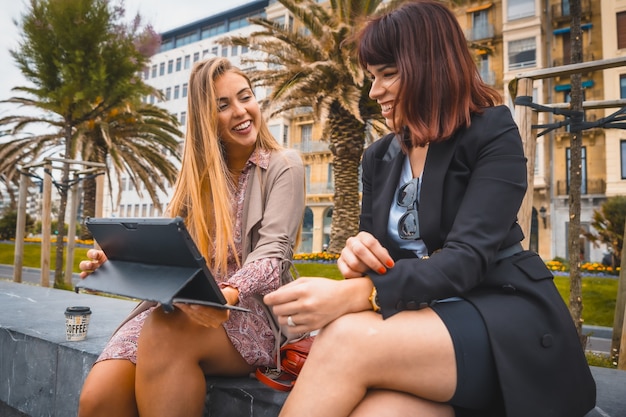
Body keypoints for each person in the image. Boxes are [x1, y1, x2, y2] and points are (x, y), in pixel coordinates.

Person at [263, 2, 596, 417]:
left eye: (388, 74)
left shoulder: (492, 131)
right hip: (423, 322)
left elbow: (467, 259)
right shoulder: (377, 156)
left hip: (502, 315)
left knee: (347, 336)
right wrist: (358, 257)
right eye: (371, 77)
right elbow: (379, 264)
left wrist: (357, 292)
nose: (373, 92)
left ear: (430, 67)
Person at [77, 57, 305, 417]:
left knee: (164, 332)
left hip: (247, 311)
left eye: (245, 97)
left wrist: (223, 296)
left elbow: (273, 257)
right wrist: (118, 262)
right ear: (205, 119)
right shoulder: (196, 181)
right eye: (223, 105)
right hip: (178, 308)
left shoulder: (283, 165)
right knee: (98, 396)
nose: (241, 111)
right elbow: (175, 254)